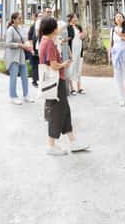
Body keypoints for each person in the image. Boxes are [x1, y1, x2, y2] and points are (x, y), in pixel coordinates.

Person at [38, 16, 89, 156]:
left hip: (55, 82)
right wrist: (64, 64)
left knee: (65, 111)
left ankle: (73, 141)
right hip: (55, 82)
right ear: (53, 28)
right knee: (57, 113)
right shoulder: (49, 43)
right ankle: (51, 145)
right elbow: (53, 65)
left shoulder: (44, 39)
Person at [4, 12, 34, 104]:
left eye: (21, 18)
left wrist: (29, 48)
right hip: (13, 56)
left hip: (21, 56)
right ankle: (13, 96)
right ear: (14, 19)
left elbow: (25, 40)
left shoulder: (20, 28)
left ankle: (26, 95)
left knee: (25, 76)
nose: (21, 20)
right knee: (13, 77)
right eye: (19, 18)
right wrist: (20, 45)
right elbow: (8, 44)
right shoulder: (10, 30)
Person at [110, 13, 125, 106]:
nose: (118, 18)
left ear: (123, 19)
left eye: (120, 17)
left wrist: (121, 36)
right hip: (115, 55)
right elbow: (111, 43)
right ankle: (121, 98)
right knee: (117, 76)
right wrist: (109, 55)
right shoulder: (112, 30)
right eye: (116, 17)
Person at [67, 14, 85, 94]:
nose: (76, 18)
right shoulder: (68, 28)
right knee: (71, 68)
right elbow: (67, 41)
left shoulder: (79, 27)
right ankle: (72, 88)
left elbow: (82, 37)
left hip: (79, 50)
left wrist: (83, 36)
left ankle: (79, 87)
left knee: (79, 68)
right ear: (70, 19)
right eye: (74, 17)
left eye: (76, 17)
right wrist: (69, 53)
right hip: (72, 50)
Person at [27, 10, 42, 87]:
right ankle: (34, 81)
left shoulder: (44, 26)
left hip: (42, 48)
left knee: (41, 65)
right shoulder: (33, 26)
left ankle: (41, 81)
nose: (40, 17)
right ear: (36, 17)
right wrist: (32, 49)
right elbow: (30, 38)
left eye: (41, 16)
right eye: (39, 16)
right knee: (35, 65)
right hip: (35, 48)